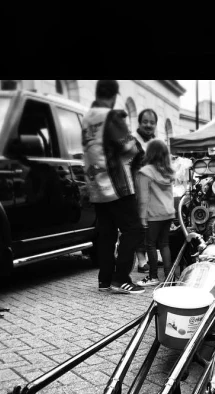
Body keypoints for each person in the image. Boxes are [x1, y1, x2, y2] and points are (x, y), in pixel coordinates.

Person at [81, 79, 144, 294]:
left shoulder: (87, 119)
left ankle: (105, 279)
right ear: (114, 95)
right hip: (116, 183)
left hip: (96, 186)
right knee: (133, 229)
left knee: (107, 233)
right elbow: (129, 147)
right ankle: (121, 279)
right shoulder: (111, 116)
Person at [135, 139, 176, 287]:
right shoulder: (168, 171)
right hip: (168, 213)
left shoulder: (145, 172)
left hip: (153, 214)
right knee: (164, 244)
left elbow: (143, 198)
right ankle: (169, 276)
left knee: (150, 245)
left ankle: (153, 276)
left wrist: (142, 216)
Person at [132, 109, 159, 274]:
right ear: (139, 123)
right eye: (145, 121)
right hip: (138, 189)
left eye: (152, 122)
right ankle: (141, 260)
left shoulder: (155, 142)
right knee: (140, 225)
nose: (149, 125)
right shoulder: (133, 142)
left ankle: (150, 256)